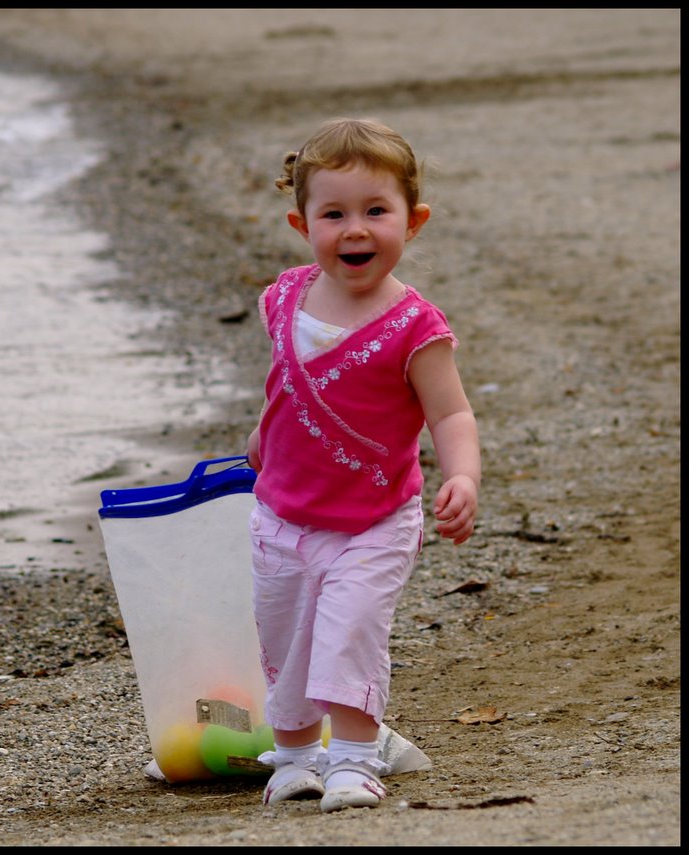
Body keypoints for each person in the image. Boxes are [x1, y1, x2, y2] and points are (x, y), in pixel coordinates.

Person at [246, 117, 480, 813]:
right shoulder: (284, 297)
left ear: (413, 222)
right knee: (283, 635)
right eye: (335, 213)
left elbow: (451, 414)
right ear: (301, 223)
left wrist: (461, 474)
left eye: (376, 211)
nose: (356, 229)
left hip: (374, 519)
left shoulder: (416, 327)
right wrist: (263, 434)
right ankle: (293, 757)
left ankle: (352, 758)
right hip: (283, 511)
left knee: (350, 630)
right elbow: (285, 380)